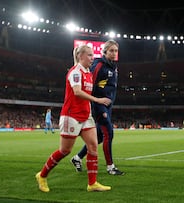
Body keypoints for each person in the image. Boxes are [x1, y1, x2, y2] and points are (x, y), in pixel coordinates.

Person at [35, 45, 112, 193]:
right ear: (80, 56)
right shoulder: (75, 72)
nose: (92, 58)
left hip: (85, 116)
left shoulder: (88, 73)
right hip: (71, 116)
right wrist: (97, 100)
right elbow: (77, 92)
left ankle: (92, 183)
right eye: (89, 55)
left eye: (92, 55)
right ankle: (42, 175)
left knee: (93, 146)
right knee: (65, 150)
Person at [71, 40, 124, 175]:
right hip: (98, 105)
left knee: (100, 136)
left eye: (116, 51)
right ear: (105, 52)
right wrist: (93, 102)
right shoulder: (99, 65)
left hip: (107, 105)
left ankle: (77, 158)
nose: (114, 53)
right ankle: (110, 167)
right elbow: (90, 83)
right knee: (109, 133)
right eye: (111, 51)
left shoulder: (113, 67)